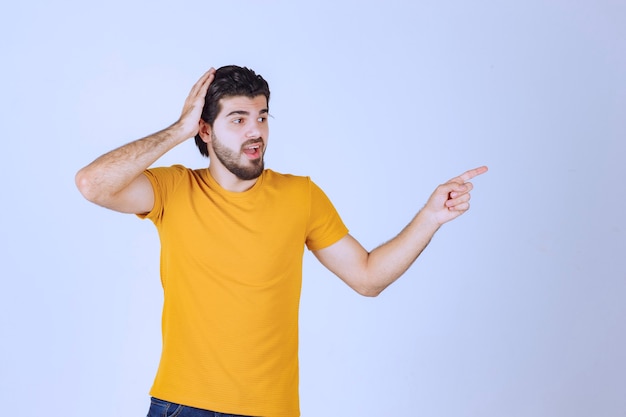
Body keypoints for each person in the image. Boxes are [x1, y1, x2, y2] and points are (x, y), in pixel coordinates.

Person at [75, 65, 487, 417]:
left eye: (262, 117)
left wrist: (431, 216)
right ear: (205, 129)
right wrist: (178, 129)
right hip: (185, 405)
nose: (255, 131)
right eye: (238, 119)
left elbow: (367, 278)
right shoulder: (173, 189)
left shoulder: (300, 196)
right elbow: (93, 184)